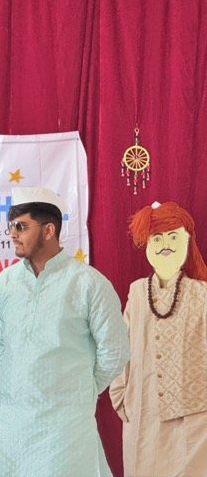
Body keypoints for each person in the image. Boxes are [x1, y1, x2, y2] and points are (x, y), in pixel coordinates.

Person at [0, 187, 130, 476]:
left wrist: (79, 388)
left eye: (21, 226)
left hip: (64, 426)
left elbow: (116, 350)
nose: (13, 234)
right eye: (11, 227)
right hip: (8, 421)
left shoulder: (88, 283)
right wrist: (25, 378)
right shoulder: (5, 283)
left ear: (49, 230)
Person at [109, 201, 207, 476]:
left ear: (187, 241)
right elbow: (121, 346)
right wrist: (120, 394)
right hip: (144, 409)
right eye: (157, 238)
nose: (166, 245)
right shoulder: (138, 292)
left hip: (194, 418)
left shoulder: (202, 294)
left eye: (173, 237)